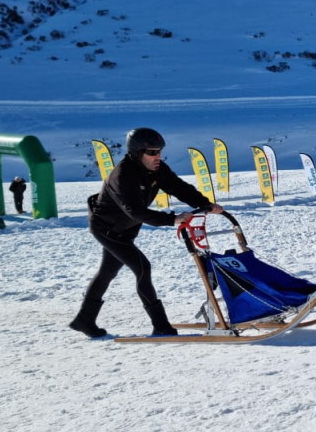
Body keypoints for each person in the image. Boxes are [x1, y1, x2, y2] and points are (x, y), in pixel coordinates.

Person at [70, 128, 223, 339]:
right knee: (142, 268)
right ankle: (160, 325)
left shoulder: (156, 169)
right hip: (107, 229)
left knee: (107, 273)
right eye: (152, 152)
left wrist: (205, 204)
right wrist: (172, 219)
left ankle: (84, 320)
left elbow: (178, 187)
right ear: (136, 152)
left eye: (159, 151)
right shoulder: (122, 176)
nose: (157, 156)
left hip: (127, 229)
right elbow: (135, 211)